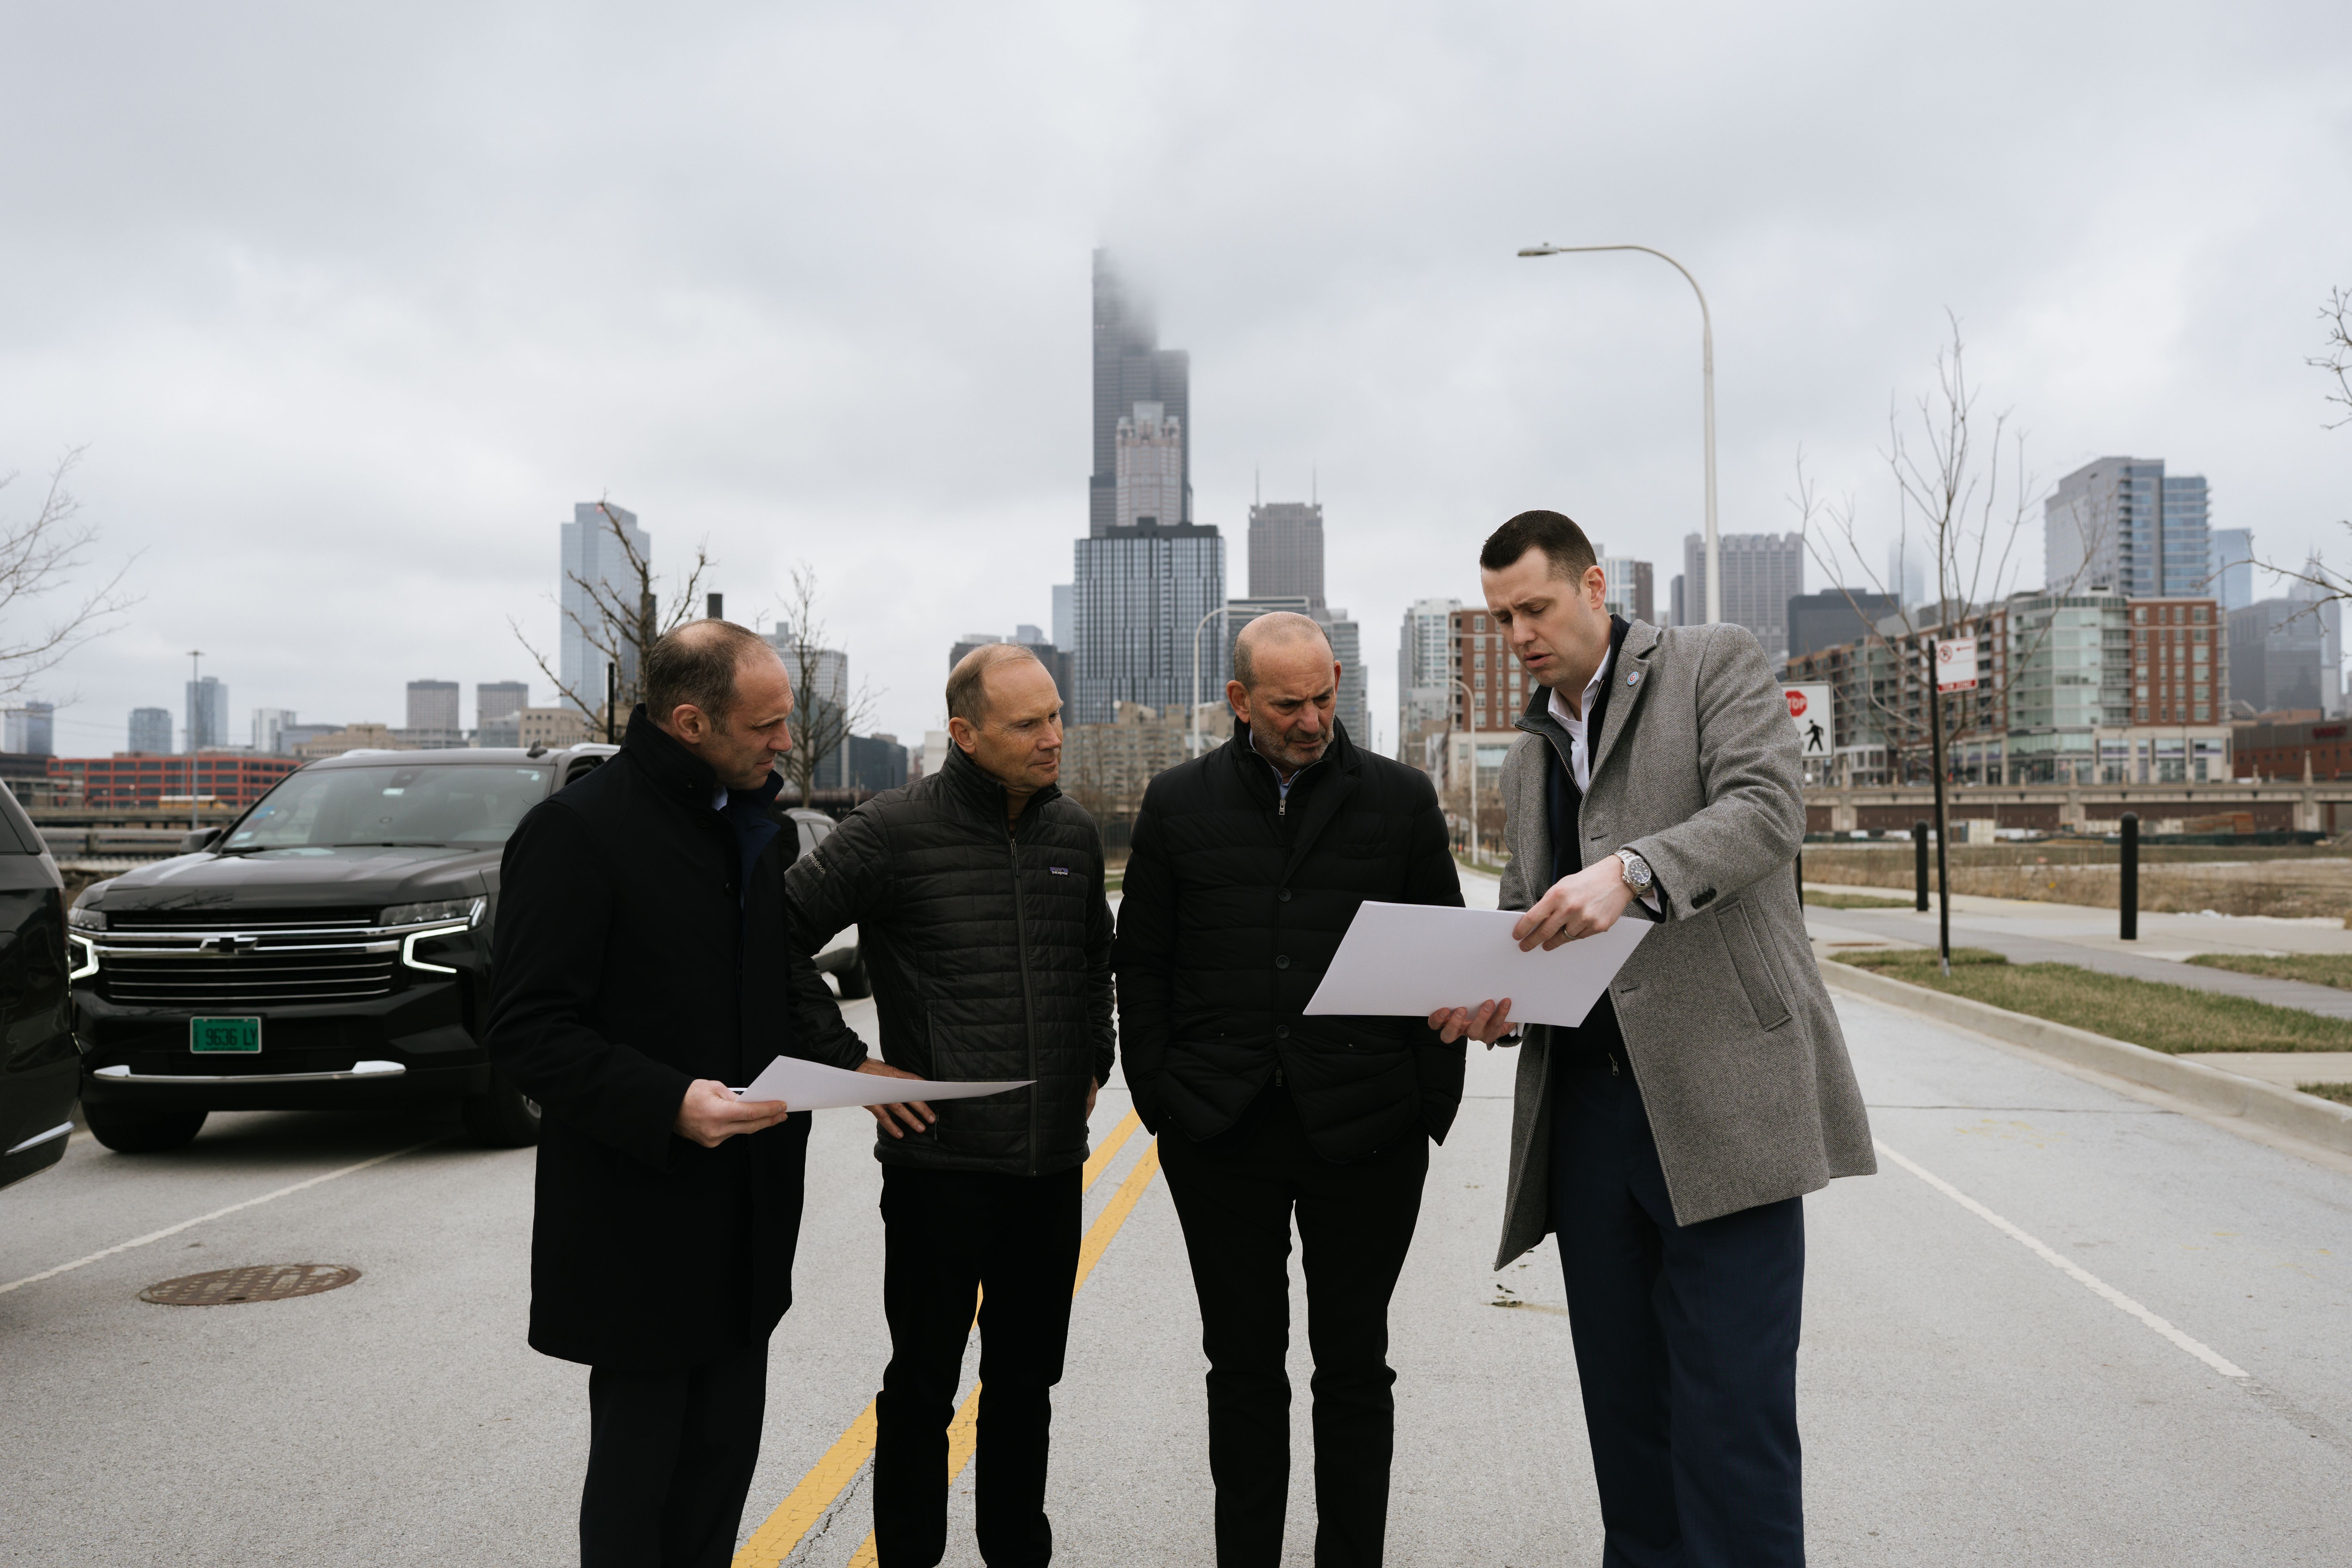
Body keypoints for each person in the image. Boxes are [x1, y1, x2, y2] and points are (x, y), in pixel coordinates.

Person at [1432, 511, 1875, 1568]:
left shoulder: (1711, 662)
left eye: (1534, 608)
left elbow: (1765, 810)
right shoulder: (1526, 757)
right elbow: (1528, 917)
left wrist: (1631, 872)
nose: (1519, 635)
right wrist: (1495, 1000)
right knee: (1625, 1422)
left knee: (1732, 1422)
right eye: (1500, 619)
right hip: (1587, 1120)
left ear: (1593, 587)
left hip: (1723, 1105)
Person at [485, 620, 917, 1568]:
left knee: (720, 1470)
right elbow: (525, 1027)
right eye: (766, 726)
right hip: (639, 1215)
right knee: (641, 1481)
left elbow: (775, 980)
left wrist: (849, 1063)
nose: (785, 743)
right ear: (690, 722)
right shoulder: (575, 833)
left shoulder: (752, 829)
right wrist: (668, 1100)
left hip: (748, 1208)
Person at [1115, 611, 1463, 1568]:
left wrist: (1428, 1105)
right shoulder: (1177, 803)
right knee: (1242, 1369)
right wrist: (1160, 1097)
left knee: (1354, 1367)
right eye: (1286, 705)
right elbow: (1141, 962)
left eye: (1322, 697)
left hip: (1368, 1129)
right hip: (1219, 1132)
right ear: (1239, 701)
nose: (1311, 720)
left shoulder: (1401, 799)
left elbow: (1447, 957)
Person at [784, 641, 1115, 1568]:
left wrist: (1095, 1054)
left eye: (1056, 715)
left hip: (1048, 1166)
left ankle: (1017, 1552)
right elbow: (772, 936)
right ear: (965, 734)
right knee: (923, 1386)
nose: (1053, 737)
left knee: (1025, 1383)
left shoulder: (1072, 834)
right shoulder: (891, 829)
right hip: (939, 1167)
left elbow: (1095, 959)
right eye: (1027, 723)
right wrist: (853, 1065)